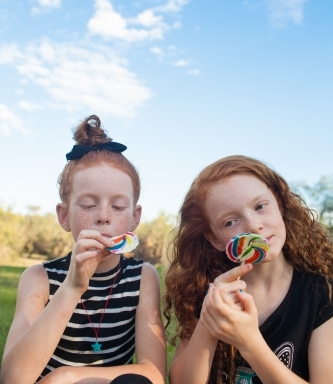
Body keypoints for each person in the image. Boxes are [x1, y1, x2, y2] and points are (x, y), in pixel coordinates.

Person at [1, 115, 166, 384]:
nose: (103, 216)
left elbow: (154, 375)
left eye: (118, 207)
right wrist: (71, 288)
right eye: (88, 205)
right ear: (64, 216)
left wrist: (64, 376)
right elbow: (13, 379)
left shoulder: (142, 278)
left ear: (134, 218)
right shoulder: (39, 279)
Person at [164, 155, 333, 384]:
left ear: (280, 203)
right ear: (215, 239)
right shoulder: (207, 288)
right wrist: (208, 320)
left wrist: (249, 342)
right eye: (230, 222)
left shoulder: (321, 291)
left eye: (260, 206)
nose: (254, 226)